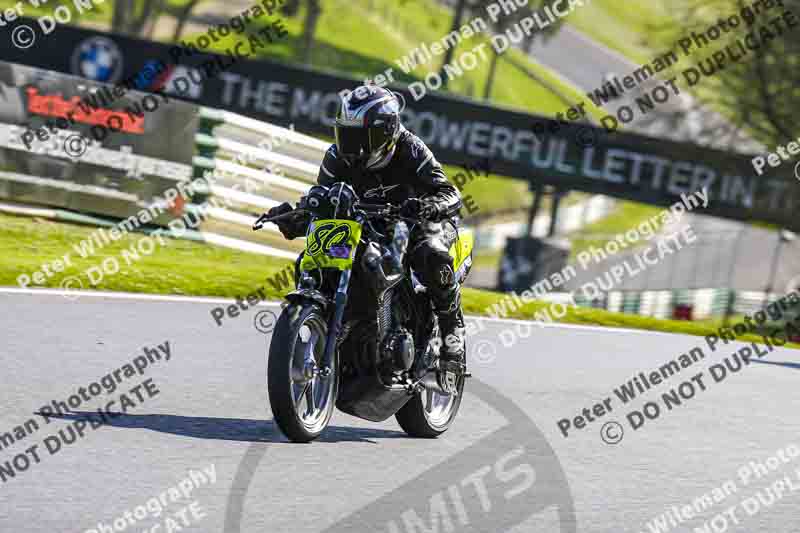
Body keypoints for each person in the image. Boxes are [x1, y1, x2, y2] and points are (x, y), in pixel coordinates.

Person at [265, 84, 467, 374]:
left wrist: (427, 206)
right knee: (309, 261)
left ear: (386, 132)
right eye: (346, 134)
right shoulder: (336, 156)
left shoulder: (410, 149)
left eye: (361, 136)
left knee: (432, 255)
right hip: (366, 225)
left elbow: (450, 192)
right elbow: (323, 198)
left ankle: (452, 335)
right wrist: (295, 216)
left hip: (416, 222)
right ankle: (338, 325)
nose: (352, 144)